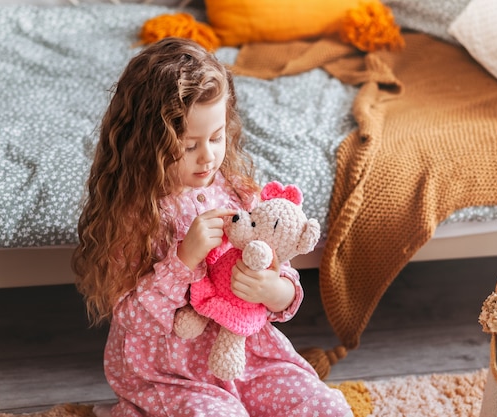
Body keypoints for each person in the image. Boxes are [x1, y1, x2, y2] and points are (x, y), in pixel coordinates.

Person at [72, 37, 352, 417]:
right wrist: (183, 259)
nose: (208, 156)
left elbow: (281, 278)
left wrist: (276, 291)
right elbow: (132, 318)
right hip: (171, 372)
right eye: (189, 146)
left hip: (248, 359)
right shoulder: (134, 214)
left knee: (325, 406)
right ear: (146, 143)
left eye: (217, 137)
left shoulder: (239, 193)